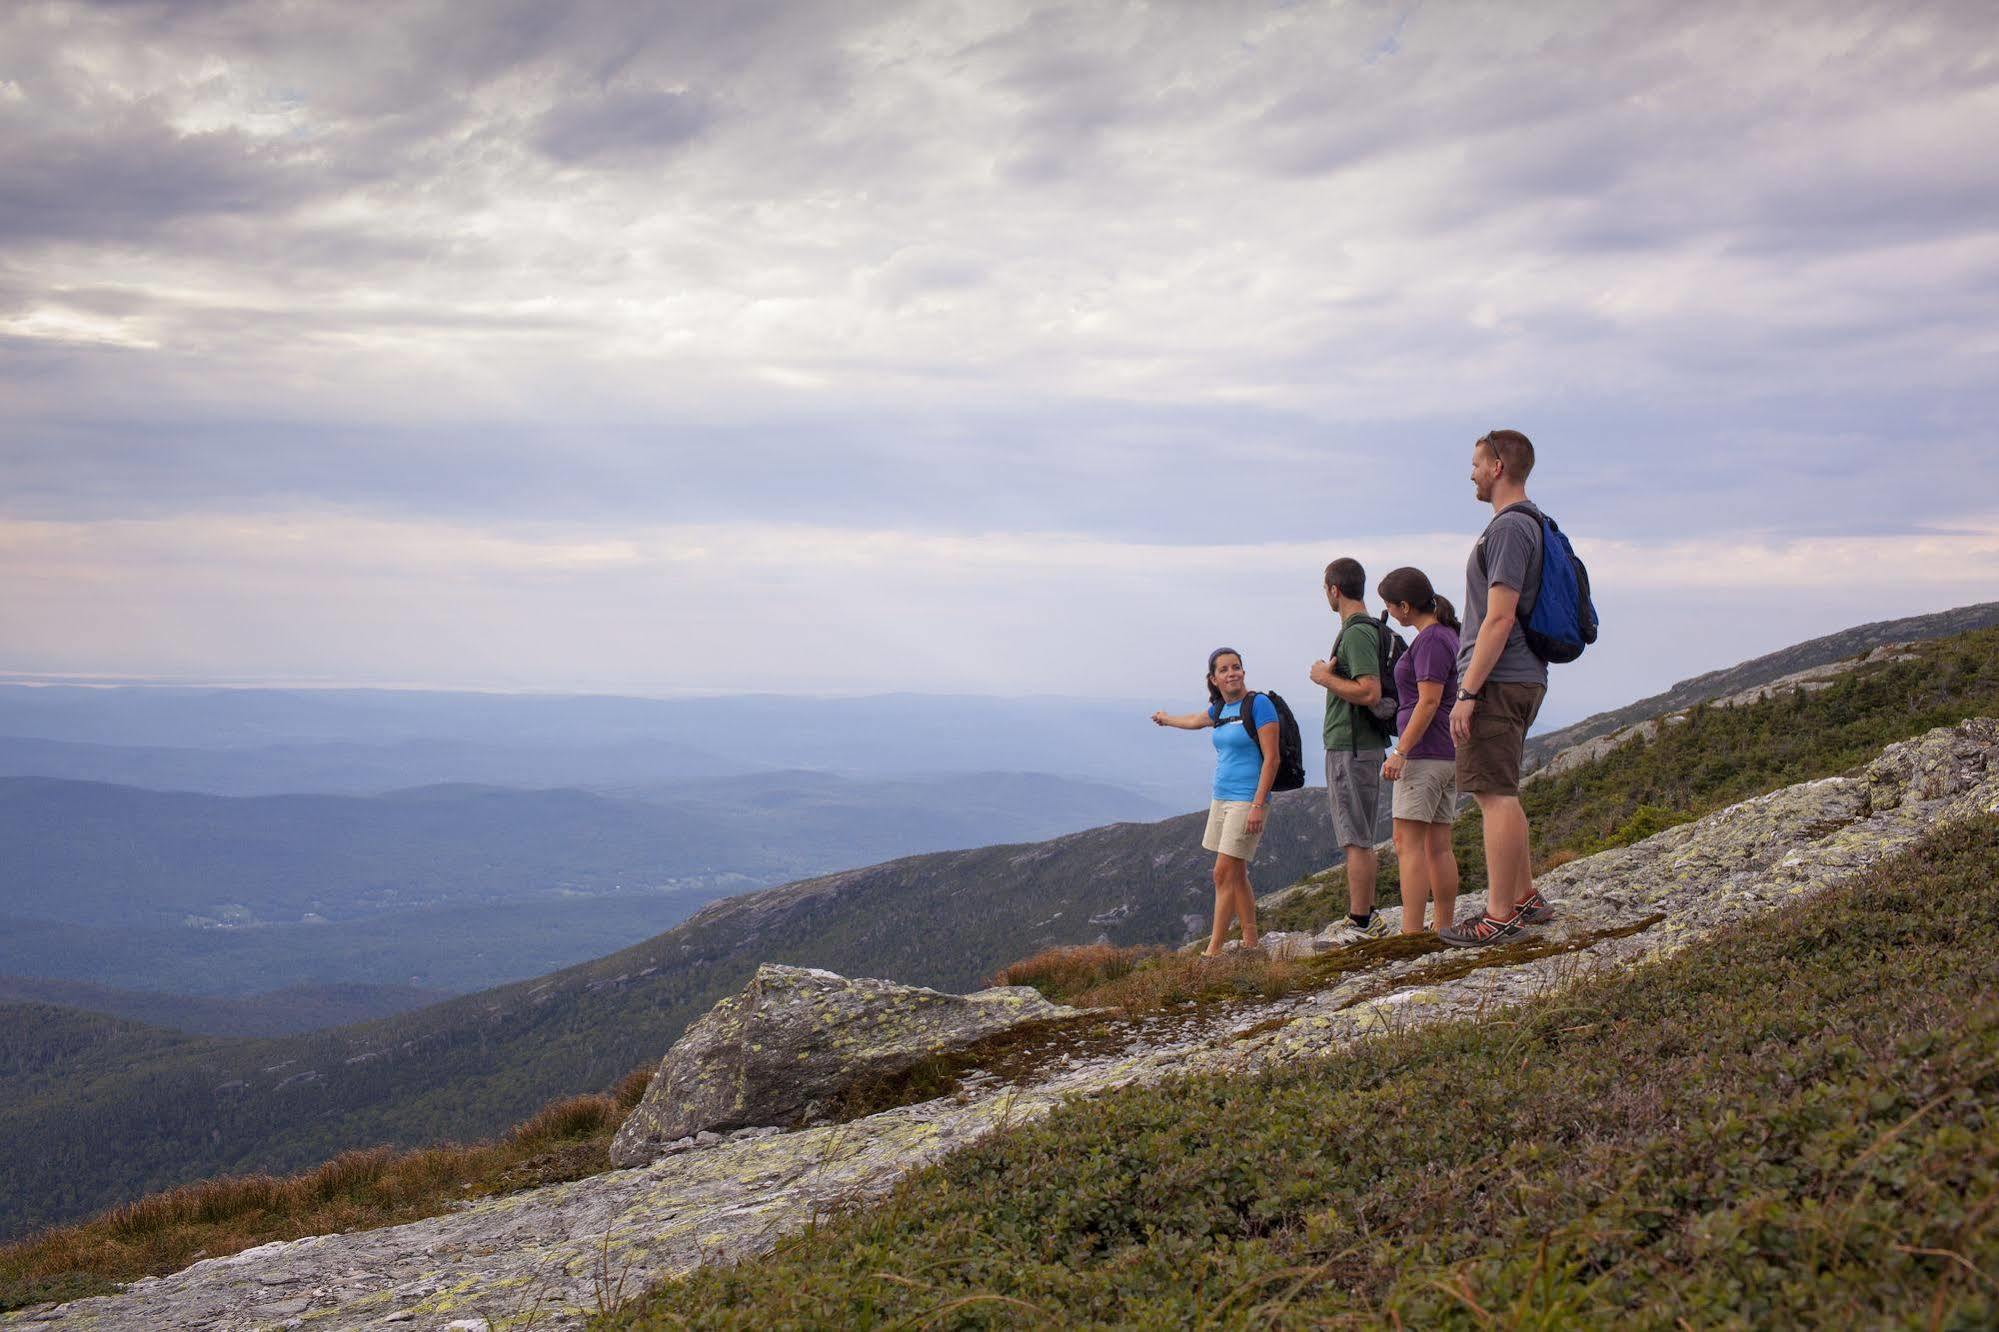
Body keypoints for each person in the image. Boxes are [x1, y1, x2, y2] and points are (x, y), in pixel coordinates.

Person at [1440, 429, 1558, 948]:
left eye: (1475, 463)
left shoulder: (1509, 528)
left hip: (1499, 678)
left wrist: (1467, 692)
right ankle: (1524, 896)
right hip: (1524, 674)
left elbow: (1499, 617)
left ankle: (1499, 914)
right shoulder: (1534, 523)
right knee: (1504, 791)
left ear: (1498, 467)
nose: (1470, 473)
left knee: (1493, 796)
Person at [1152, 647, 1280, 957]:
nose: (1231, 672)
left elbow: (1272, 759)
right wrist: (1166, 719)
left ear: (1243, 672)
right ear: (1214, 678)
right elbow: (1196, 720)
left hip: (1247, 799)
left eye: (1236, 667)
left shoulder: (1259, 705)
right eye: (1224, 669)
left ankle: (1213, 951)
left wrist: (1258, 804)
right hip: (1221, 797)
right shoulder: (1221, 709)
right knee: (1236, 874)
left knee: (1221, 873)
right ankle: (1251, 942)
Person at [1307, 558, 1392, 943]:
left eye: (1325, 589)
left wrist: (1324, 678)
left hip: (1351, 745)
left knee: (1355, 837)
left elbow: (1369, 691)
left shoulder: (1356, 633)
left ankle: (1360, 922)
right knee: (1361, 835)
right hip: (1365, 745)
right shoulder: (1368, 628)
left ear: (1334, 589)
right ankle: (1366, 915)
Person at [1377, 567, 1462, 934]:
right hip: (1448, 751)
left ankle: (1410, 932)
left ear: (1406, 606)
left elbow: (1428, 701)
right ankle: (1442, 924)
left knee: (1407, 844)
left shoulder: (1428, 641)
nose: (1389, 613)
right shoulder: (1449, 635)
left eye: (1390, 606)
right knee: (1438, 845)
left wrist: (1401, 751)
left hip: (1424, 752)